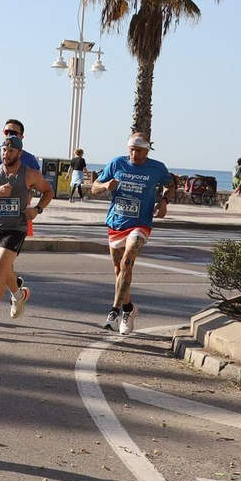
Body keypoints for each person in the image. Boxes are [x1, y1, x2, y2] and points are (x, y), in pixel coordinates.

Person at [0, 135, 53, 335]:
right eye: (4, 151)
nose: (6, 154)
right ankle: (18, 295)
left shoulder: (29, 175)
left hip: (17, 228)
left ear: (19, 153)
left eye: (11, 151)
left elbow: (49, 192)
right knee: (4, 271)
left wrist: (37, 210)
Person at [92, 133, 174, 336]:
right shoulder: (116, 164)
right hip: (117, 223)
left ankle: (114, 311)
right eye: (131, 150)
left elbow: (170, 185)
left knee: (127, 262)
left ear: (147, 150)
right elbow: (94, 187)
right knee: (118, 270)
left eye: (138, 150)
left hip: (141, 224)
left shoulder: (157, 168)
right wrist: (104, 186)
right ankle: (129, 309)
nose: (134, 154)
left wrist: (163, 202)